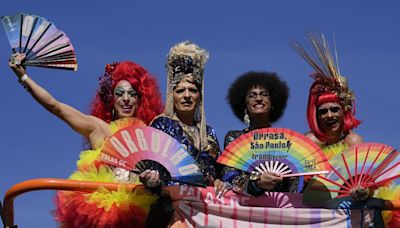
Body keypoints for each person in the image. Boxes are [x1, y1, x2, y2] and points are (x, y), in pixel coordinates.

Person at [8, 53, 163, 227]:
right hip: (103, 213)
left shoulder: (152, 133)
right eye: (120, 93)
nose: (126, 98)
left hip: (143, 212)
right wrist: (23, 76)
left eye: (132, 93)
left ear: (140, 99)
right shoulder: (98, 129)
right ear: (111, 99)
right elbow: (55, 106)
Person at [140, 41, 221, 227]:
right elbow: (154, 173)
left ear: (200, 96)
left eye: (192, 90)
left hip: (206, 215)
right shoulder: (161, 125)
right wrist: (151, 179)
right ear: (172, 95)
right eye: (180, 90)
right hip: (172, 215)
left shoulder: (209, 133)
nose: (186, 95)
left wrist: (220, 183)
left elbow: (219, 174)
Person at [220, 71, 296, 196]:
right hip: (246, 208)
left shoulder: (285, 140)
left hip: (279, 209)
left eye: (264, 95)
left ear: (272, 103)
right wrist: (256, 183)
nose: (259, 99)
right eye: (252, 96)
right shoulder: (234, 138)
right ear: (245, 104)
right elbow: (228, 175)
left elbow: (294, 181)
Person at [293, 33, 363, 159]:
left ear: (344, 110)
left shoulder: (353, 141)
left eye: (334, 109)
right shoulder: (309, 142)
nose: (329, 115)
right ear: (316, 115)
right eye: (323, 111)